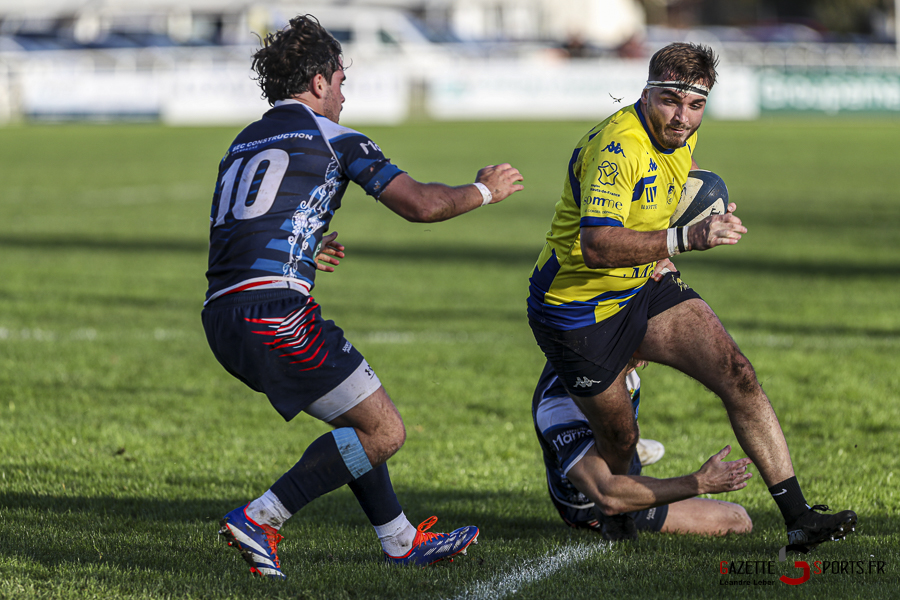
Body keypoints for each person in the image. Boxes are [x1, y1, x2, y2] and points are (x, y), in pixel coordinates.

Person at [202, 15, 524, 579]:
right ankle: (261, 517)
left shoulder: (244, 141)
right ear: (321, 81)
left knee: (356, 420)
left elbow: (244, 225)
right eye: (342, 82)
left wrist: (301, 247)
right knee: (383, 431)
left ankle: (399, 539)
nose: (345, 96)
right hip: (274, 314)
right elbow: (419, 203)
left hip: (224, 314)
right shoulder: (335, 137)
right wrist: (484, 190)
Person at [526, 42, 856, 550]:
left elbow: (670, 189)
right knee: (619, 437)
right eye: (670, 101)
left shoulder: (679, 137)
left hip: (641, 284)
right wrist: (685, 239)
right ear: (646, 92)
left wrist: (686, 223)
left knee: (737, 372)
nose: (682, 118)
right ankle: (616, 514)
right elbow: (594, 246)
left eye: (695, 105)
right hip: (577, 312)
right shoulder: (620, 148)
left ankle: (799, 517)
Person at [534, 347, 752, 540]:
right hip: (592, 502)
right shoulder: (558, 411)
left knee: (624, 435)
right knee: (737, 518)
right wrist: (700, 482)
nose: (644, 358)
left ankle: (627, 450)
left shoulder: (598, 355)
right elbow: (607, 493)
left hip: (606, 451)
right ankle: (603, 454)